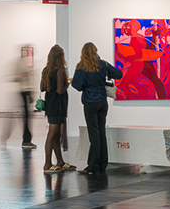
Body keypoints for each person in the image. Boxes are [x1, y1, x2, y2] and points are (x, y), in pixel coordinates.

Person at [71, 41, 120, 175]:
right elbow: (119, 74)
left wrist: (86, 84)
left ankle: (92, 165)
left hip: (90, 102)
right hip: (102, 101)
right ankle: (102, 163)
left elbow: (77, 85)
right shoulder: (103, 64)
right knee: (101, 132)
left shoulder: (81, 67)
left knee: (94, 134)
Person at [40, 45, 71, 173]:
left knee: (56, 134)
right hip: (58, 106)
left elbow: (42, 87)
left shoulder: (46, 70)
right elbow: (60, 90)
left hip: (50, 104)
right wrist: (67, 83)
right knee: (52, 134)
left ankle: (60, 161)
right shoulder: (61, 71)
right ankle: (47, 164)